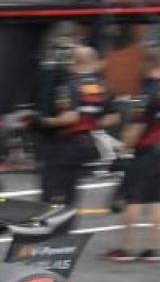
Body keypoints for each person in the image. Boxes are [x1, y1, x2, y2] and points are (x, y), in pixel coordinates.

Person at [37, 46, 114, 208]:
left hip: (63, 144)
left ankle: (45, 226)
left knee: (51, 188)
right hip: (86, 143)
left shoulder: (69, 86)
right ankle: (67, 226)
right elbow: (112, 117)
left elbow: (70, 117)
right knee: (71, 190)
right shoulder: (102, 86)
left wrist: (45, 122)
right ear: (93, 62)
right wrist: (91, 123)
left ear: (73, 62)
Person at [106, 51, 160, 262]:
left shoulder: (146, 93)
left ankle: (126, 248)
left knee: (133, 198)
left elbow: (137, 127)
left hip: (146, 152)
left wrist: (123, 149)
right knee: (158, 199)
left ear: (149, 63)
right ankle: (155, 249)